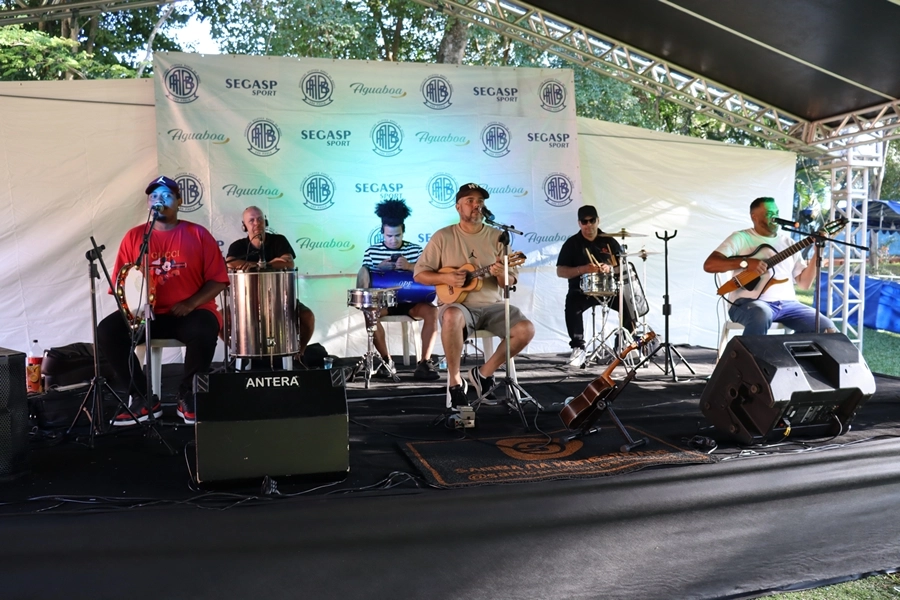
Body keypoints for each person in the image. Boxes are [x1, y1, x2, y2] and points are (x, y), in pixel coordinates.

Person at [98, 176, 229, 426]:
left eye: (166, 195)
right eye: (154, 196)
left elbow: (218, 280)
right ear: (148, 203)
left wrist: (191, 303)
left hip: (189, 312)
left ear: (179, 201)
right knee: (108, 330)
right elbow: (120, 284)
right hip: (147, 314)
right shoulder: (134, 237)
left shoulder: (198, 234)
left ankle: (188, 395)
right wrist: (132, 309)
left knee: (205, 327)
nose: (160, 200)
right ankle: (142, 397)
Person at [414, 183, 535, 408]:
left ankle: (483, 373)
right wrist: (447, 279)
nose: (476, 205)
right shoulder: (443, 237)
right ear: (458, 207)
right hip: (458, 306)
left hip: (493, 305)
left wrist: (501, 273)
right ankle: (455, 381)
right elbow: (420, 274)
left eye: (480, 201)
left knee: (525, 329)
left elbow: (509, 281)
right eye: (470, 201)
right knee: (451, 316)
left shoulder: (499, 237)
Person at [703, 196, 837, 335]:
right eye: (769, 214)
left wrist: (817, 252)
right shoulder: (741, 238)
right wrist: (745, 262)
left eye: (776, 213)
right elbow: (710, 265)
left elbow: (804, 284)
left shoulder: (789, 242)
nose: (775, 217)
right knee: (761, 314)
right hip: (748, 303)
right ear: (754, 217)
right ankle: (750, 357)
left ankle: (788, 355)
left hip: (789, 305)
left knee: (826, 328)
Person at [358, 199, 440, 380]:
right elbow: (364, 282)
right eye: (389, 236)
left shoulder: (415, 249)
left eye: (397, 236)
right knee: (369, 312)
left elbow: (428, 275)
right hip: (384, 302)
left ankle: (424, 362)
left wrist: (411, 266)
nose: (393, 240)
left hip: (412, 302)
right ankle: (386, 361)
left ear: (403, 232)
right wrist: (379, 269)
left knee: (432, 312)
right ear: (382, 233)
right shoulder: (372, 252)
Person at [225, 206, 315, 360]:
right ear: (244, 225)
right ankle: (238, 352)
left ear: (265, 221)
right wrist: (270, 262)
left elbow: (288, 262)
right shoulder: (238, 246)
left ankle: (298, 353)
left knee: (307, 316)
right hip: (245, 302)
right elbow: (230, 263)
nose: (256, 223)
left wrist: (259, 265)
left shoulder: (278, 240)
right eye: (251, 220)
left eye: (259, 219)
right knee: (220, 319)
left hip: (280, 300)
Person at [556, 205, 634, 367]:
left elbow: (623, 267)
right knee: (572, 305)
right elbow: (560, 271)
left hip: (609, 290)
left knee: (629, 303)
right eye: (585, 222)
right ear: (579, 223)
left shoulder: (609, 241)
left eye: (592, 221)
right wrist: (583, 269)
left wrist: (610, 268)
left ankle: (623, 343)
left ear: (598, 220)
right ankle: (578, 347)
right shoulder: (572, 243)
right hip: (581, 289)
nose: (589, 225)